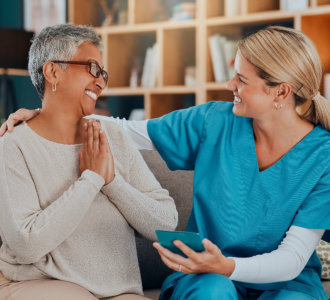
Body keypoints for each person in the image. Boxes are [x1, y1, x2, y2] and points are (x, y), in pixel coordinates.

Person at [1, 25, 330, 299]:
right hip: (202, 273)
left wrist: (228, 266)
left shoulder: (323, 156)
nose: (230, 86)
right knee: (212, 292)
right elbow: (132, 131)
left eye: (242, 80)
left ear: (281, 93)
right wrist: (46, 115)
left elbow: (292, 259)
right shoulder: (213, 121)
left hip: (285, 281)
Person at [0, 24, 178, 300]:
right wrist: (91, 179)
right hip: (42, 283)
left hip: (118, 290)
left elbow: (167, 223)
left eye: (103, 73)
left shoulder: (114, 137)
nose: (101, 81)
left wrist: (111, 181)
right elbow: (26, 244)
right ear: (52, 72)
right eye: (92, 68)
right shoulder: (15, 143)